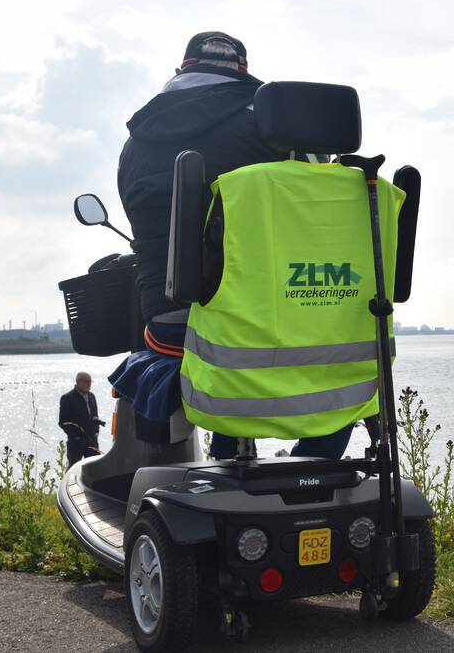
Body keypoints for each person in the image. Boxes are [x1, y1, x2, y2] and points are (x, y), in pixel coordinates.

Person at [111, 31, 354, 459]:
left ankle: (230, 459)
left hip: (169, 327)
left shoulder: (134, 144)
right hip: (259, 320)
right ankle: (313, 466)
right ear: (243, 73)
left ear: (179, 71)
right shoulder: (272, 128)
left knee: (228, 352)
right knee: (344, 354)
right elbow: (323, 209)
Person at [58, 372, 104, 465]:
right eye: (86, 381)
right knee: (73, 467)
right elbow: (62, 422)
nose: (89, 384)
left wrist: (96, 432)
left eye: (90, 381)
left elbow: (95, 416)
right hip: (76, 442)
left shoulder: (92, 396)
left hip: (92, 439)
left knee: (94, 467)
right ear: (78, 382)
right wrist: (75, 436)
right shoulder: (67, 398)